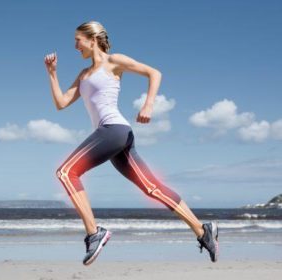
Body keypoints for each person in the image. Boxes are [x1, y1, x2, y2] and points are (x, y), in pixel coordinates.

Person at [44, 21, 219, 266]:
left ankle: (95, 233)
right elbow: (61, 103)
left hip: (114, 130)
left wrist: (148, 104)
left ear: (92, 39)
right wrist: (52, 74)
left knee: (66, 172)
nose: (75, 46)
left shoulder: (114, 61)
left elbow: (154, 73)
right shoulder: (83, 75)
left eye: (78, 40)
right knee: (152, 188)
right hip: (116, 136)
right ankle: (203, 230)